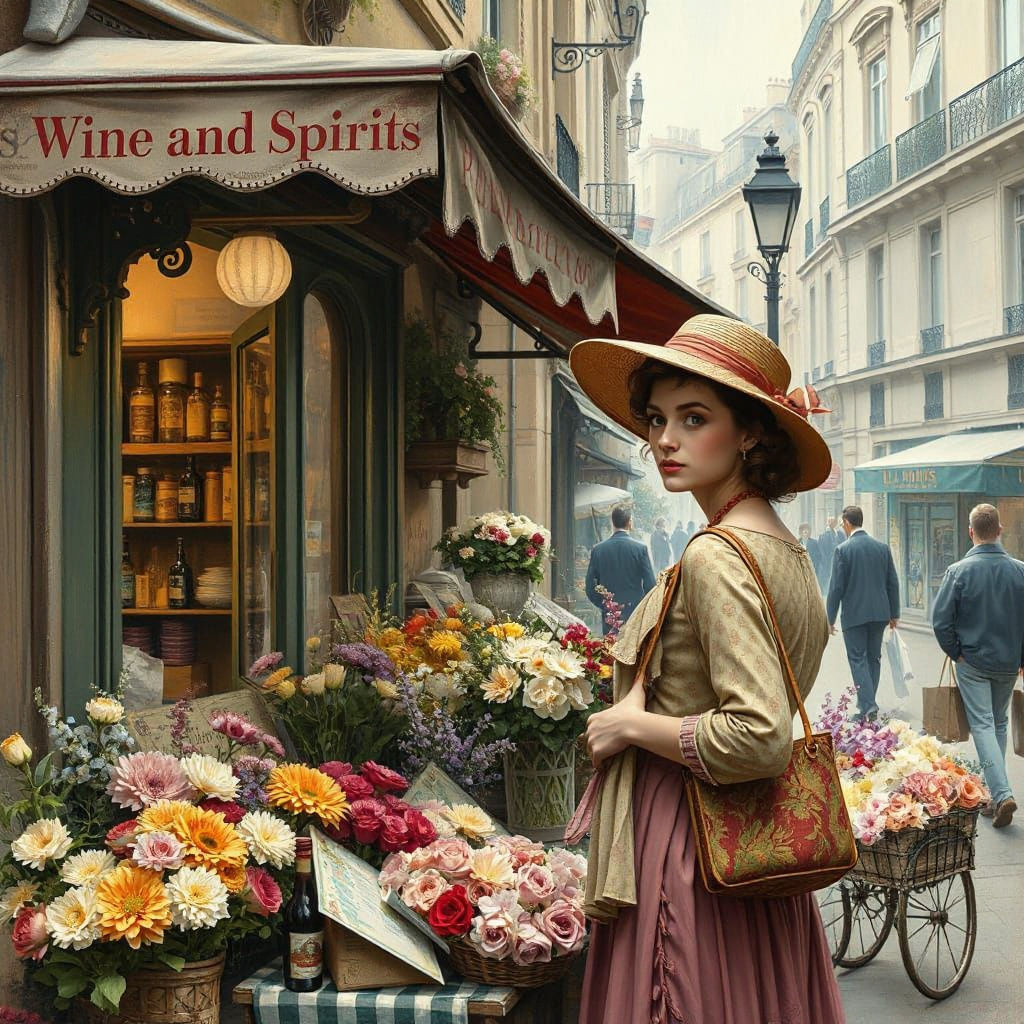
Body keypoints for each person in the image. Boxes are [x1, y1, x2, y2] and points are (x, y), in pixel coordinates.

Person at [569, 314, 844, 1023]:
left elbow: (756, 734)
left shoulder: (717, 554)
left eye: (695, 418)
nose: (665, 439)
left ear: (750, 432)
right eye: (658, 418)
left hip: (690, 844)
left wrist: (632, 724)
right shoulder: (786, 548)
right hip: (748, 851)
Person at [931, 503, 1024, 829]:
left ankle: (1001, 793)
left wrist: (956, 652)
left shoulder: (958, 571)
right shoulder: (1020, 570)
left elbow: (940, 621)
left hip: (972, 661)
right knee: (996, 723)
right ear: (999, 530)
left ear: (971, 532)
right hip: (1007, 663)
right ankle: (989, 796)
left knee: (983, 725)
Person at [825, 506, 900, 720]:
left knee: (858, 659)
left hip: (854, 615)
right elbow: (892, 582)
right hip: (879, 614)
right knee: (873, 658)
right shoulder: (882, 548)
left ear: (847, 523)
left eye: (842, 524)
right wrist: (894, 613)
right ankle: (867, 705)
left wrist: (830, 618)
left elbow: (836, 588)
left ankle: (868, 706)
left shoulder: (843, 550)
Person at [585, 506, 656, 634]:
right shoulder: (640, 549)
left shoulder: (598, 550)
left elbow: (590, 586)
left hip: (610, 613)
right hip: (634, 612)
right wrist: (642, 607)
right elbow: (650, 585)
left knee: (611, 649)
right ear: (629, 522)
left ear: (612, 522)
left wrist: (605, 605)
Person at [818, 516, 842, 589]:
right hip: (828, 559)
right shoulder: (823, 535)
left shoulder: (839, 534)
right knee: (828, 576)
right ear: (827, 523)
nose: (831, 523)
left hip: (837, 557)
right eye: (829, 521)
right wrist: (825, 559)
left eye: (833, 522)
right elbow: (822, 549)